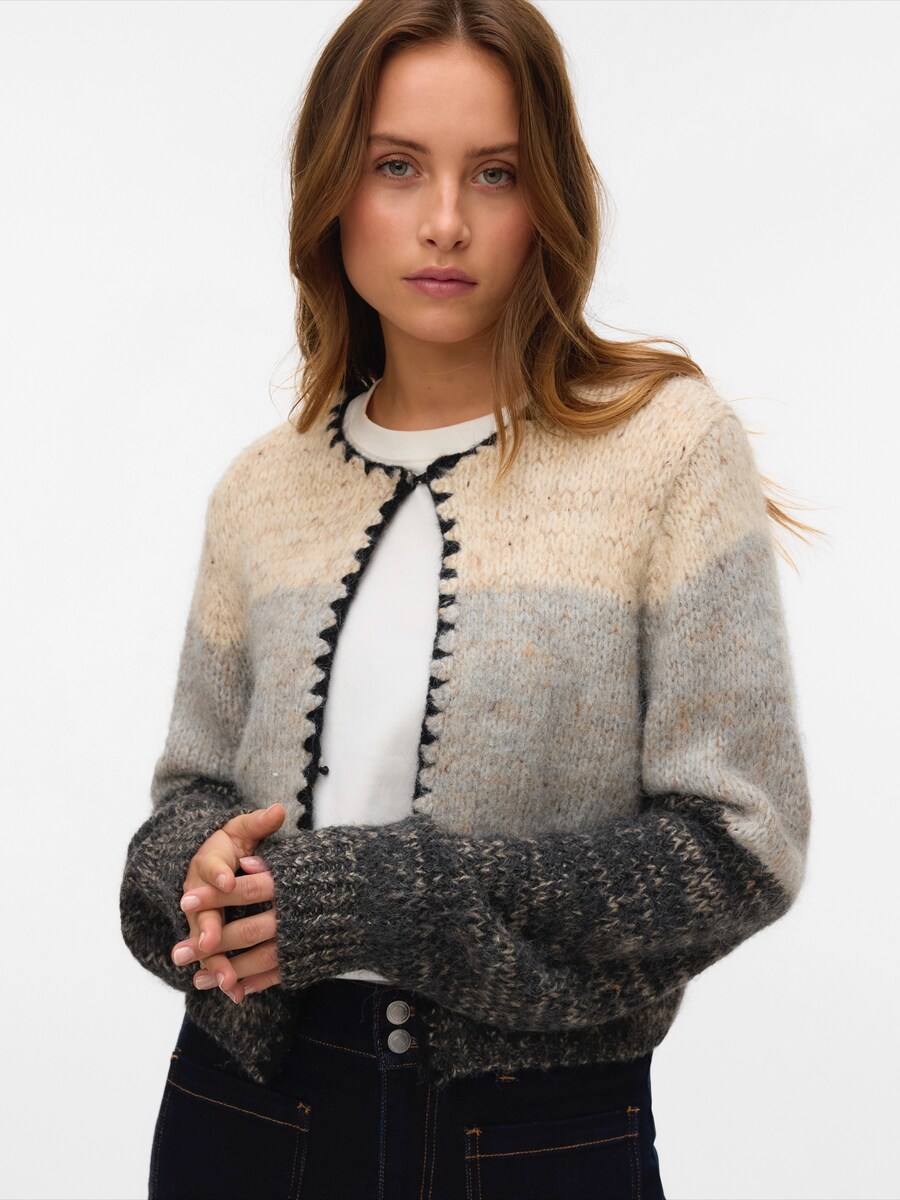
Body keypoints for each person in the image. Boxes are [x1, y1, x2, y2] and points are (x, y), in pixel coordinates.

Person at [119, 2, 816, 1197]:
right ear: (332, 190)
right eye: (397, 166)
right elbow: (189, 799)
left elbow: (739, 849)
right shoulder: (262, 490)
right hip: (242, 1111)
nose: (445, 220)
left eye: (495, 173)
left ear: (549, 199)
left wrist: (384, 899)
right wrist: (194, 868)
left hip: (534, 1132)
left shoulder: (667, 450)